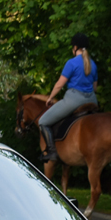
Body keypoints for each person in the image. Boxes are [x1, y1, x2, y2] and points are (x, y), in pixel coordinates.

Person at [38, 33, 98, 161]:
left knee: (43, 122)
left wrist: (50, 98)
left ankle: (52, 152)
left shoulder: (72, 63)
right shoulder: (93, 64)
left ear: (75, 47)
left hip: (74, 100)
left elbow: (60, 84)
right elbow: (95, 87)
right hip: (92, 100)